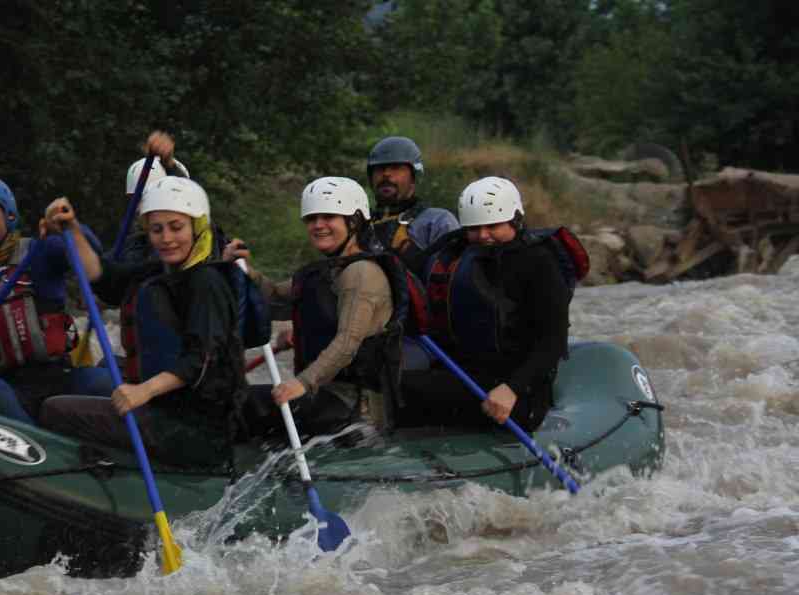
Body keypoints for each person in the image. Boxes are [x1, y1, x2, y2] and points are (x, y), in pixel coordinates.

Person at [40, 177, 247, 466]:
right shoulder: (160, 271)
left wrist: (142, 391)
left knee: (55, 411)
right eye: (156, 229)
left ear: (197, 227)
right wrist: (71, 229)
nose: (166, 239)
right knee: (89, 385)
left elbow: (202, 359)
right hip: (163, 411)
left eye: (176, 227)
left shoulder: (207, 281)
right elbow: (103, 277)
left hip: (197, 430)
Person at [230, 177, 410, 436]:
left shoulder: (361, 273)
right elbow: (275, 301)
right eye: (312, 219)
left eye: (328, 217)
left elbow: (348, 342)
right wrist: (245, 270)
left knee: (243, 404)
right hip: (325, 396)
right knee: (237, 400)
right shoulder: (328, 271)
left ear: (354, 221)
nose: (318, 225)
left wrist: (302, 383)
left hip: (356, 409)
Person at [0, 175, 113, 424]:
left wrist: (70, 226)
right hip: (4, 386)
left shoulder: (43, 251)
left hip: (60, 374)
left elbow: (93, 253)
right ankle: (38, 451)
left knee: (105, 382)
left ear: (9, 216)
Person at [399, 176, 572, 431]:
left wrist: (513, 388)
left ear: (515, 220)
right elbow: (408, 273)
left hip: (521, 388)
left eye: (493, 226)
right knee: (400, 385)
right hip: (469, 374)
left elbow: (554, 341)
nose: (483, 236)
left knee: (414, 391)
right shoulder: (456, 247)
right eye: (474, 228)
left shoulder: (539, 262)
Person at [364, 135, 459, 280]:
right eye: (379, 169)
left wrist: (409, 252)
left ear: (414, 176)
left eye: (396, 167)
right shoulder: (361, 224)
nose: (386, 174)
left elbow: (450, 281)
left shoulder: (438, 221)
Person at [118, 130, 192, 264]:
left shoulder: (201, 240)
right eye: (136, 199)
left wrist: (168, 165)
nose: (141, 208)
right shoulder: (130, 244)